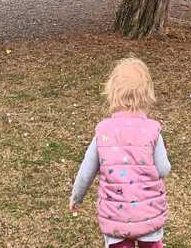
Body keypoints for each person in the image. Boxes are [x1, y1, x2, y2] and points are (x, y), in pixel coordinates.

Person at [70, 58, 170, 248]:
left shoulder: (103, 131)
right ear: (147, 94)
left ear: (112, 93)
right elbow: (164, 169)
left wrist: (76, 197)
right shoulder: (152, 131)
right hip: (148, 214)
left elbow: (86, 173)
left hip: (115, 217)